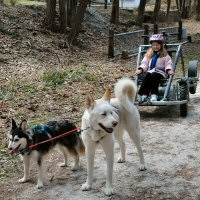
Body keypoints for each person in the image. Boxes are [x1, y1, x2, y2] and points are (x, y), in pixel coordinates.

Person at [135, 34, 174, 103]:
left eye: (157, 45)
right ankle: (144, 94)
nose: (155, 46)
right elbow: (145, 63)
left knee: (154, 75)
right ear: (151, 46)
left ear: (161, 45)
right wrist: (140, 69)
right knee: (148, 75)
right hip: (150, 72)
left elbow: (168, 64)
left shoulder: (165, 55)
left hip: (161, 73)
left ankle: (154, 95)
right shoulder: (149, 55)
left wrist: (169, 70)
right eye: (154, 45)